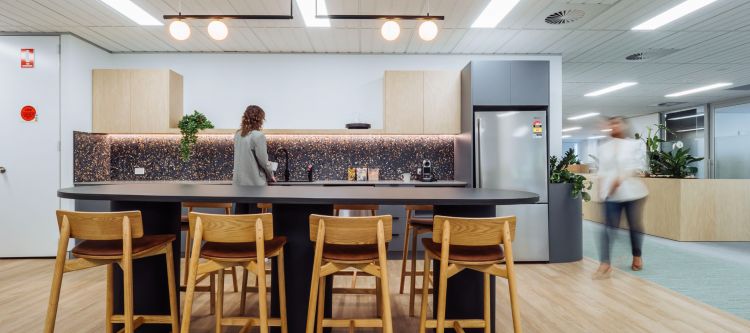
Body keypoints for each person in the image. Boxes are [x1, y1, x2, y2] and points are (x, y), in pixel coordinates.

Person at [593, 116, 649, 279]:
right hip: (610, 194)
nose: (614, 126)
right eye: (612, 123)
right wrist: (601, 192)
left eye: (618, 123)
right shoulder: (604, 147)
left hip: (633, 193)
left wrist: (620, 179)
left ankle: (637, 256)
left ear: (624, 126)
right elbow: (601, 171)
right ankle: (605, 263)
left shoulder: (634, 145)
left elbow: (637, 167)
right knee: (607, 228)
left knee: (634, 226)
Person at [233, 105, 276, 214]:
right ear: (260, 119)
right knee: (254, 220)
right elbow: (263, 161)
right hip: (254, 185)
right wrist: (271, 174)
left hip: (239, 184)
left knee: (241, 218)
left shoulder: (238, 134)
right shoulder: (258, 136)